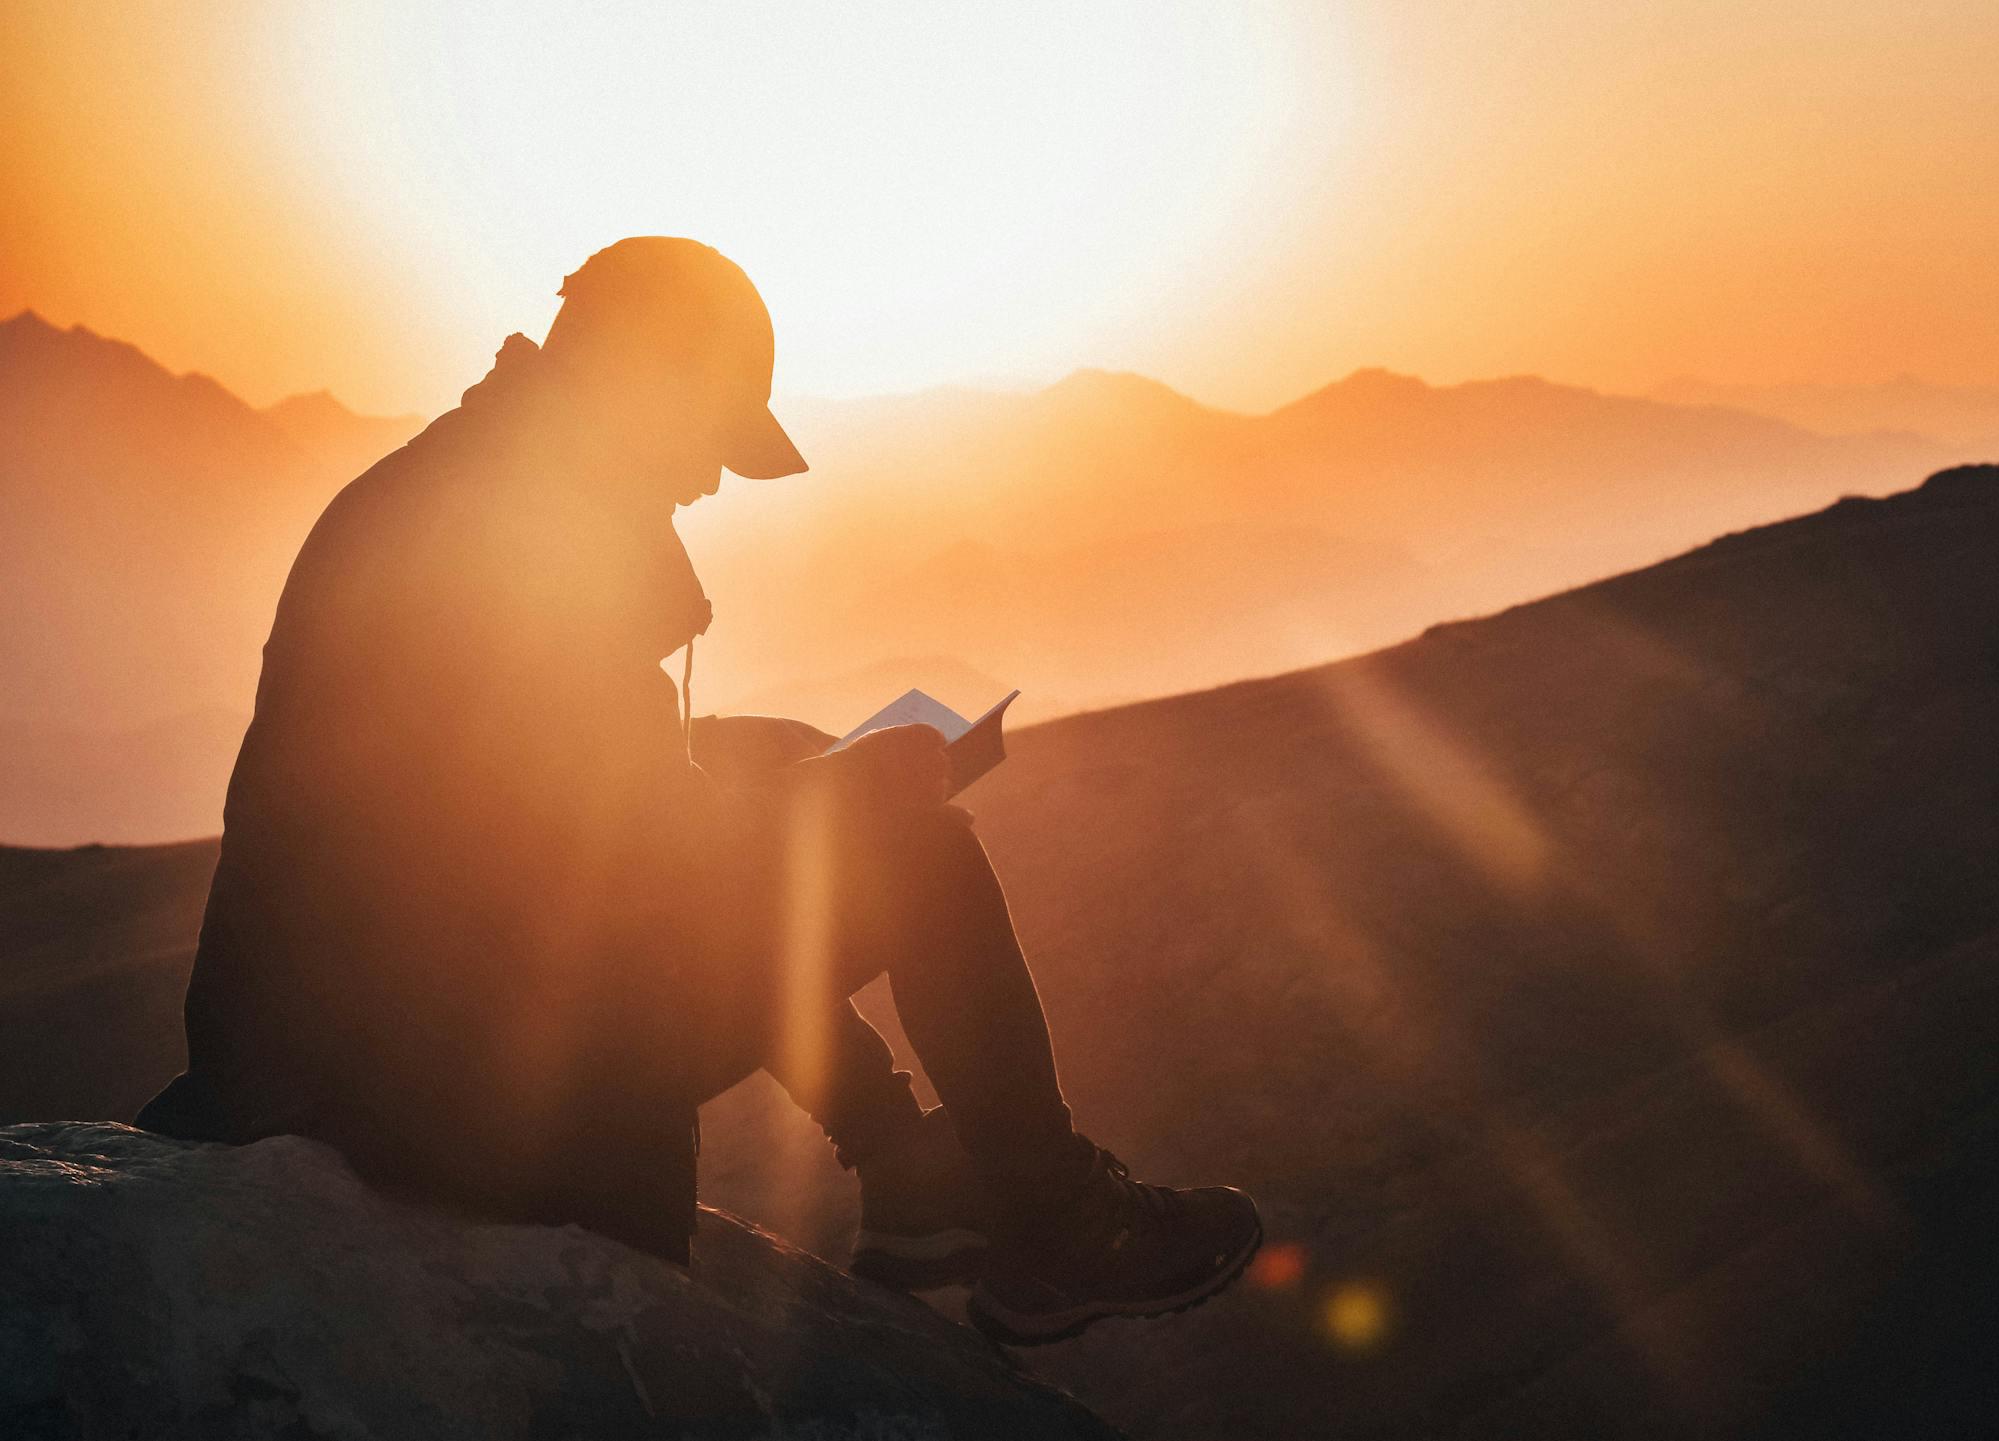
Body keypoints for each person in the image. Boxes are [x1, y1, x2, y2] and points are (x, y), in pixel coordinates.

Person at [137, 236, 1259, 1345]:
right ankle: (1053, 1225)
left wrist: (797, 782)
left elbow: (550, 808)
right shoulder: (525, 539)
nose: (715, 474)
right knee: (917, 851)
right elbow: (627, 861)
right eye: (713, 432)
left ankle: (911, 1172)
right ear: (642, 382)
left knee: (767, 769)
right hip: (423, 1089)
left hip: (343, 1043)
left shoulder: (469, 482)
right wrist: (842, 796)